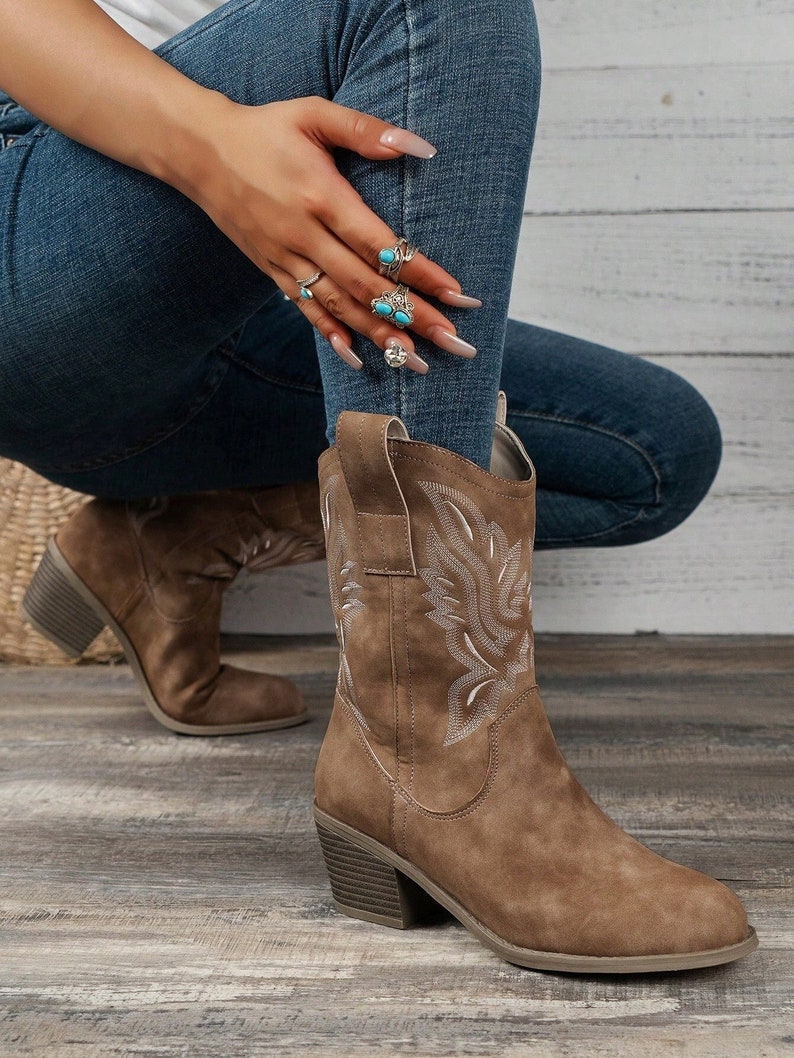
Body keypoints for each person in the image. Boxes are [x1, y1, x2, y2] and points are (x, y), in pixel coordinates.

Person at [0, 0, 755, 970]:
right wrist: (214, 152)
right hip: (52, 216)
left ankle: (171, 536)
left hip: (228, 318)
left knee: (650, 452)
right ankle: (430, 760)